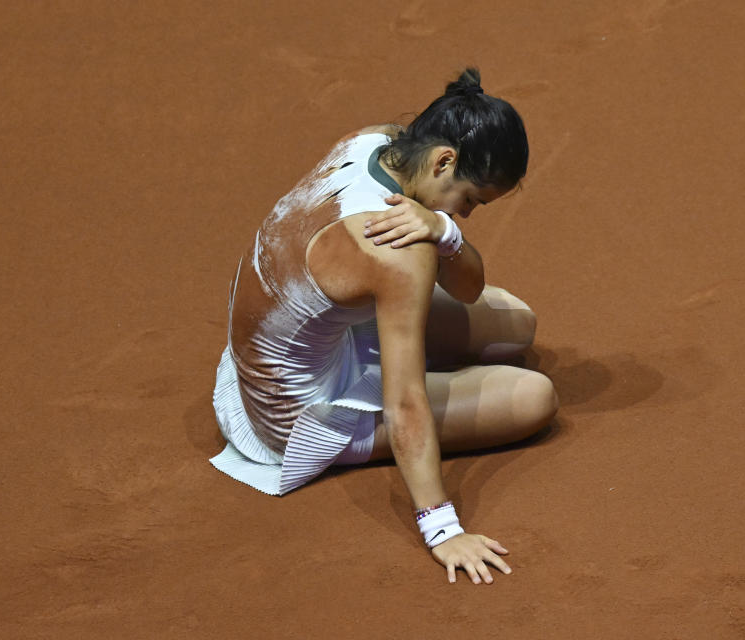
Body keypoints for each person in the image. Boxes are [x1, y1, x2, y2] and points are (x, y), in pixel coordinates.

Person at [210, 68, 558, 585]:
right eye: (469, 201)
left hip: (278, 348)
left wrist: (444, 228)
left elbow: (469, 289)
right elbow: (405, 401)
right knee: (534, 396)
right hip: (291, 413)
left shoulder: (374, 140)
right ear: (445, 162)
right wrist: (443, 527)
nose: (467, 213)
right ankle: (345, 434)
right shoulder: (399, 255)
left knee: (515, 323)